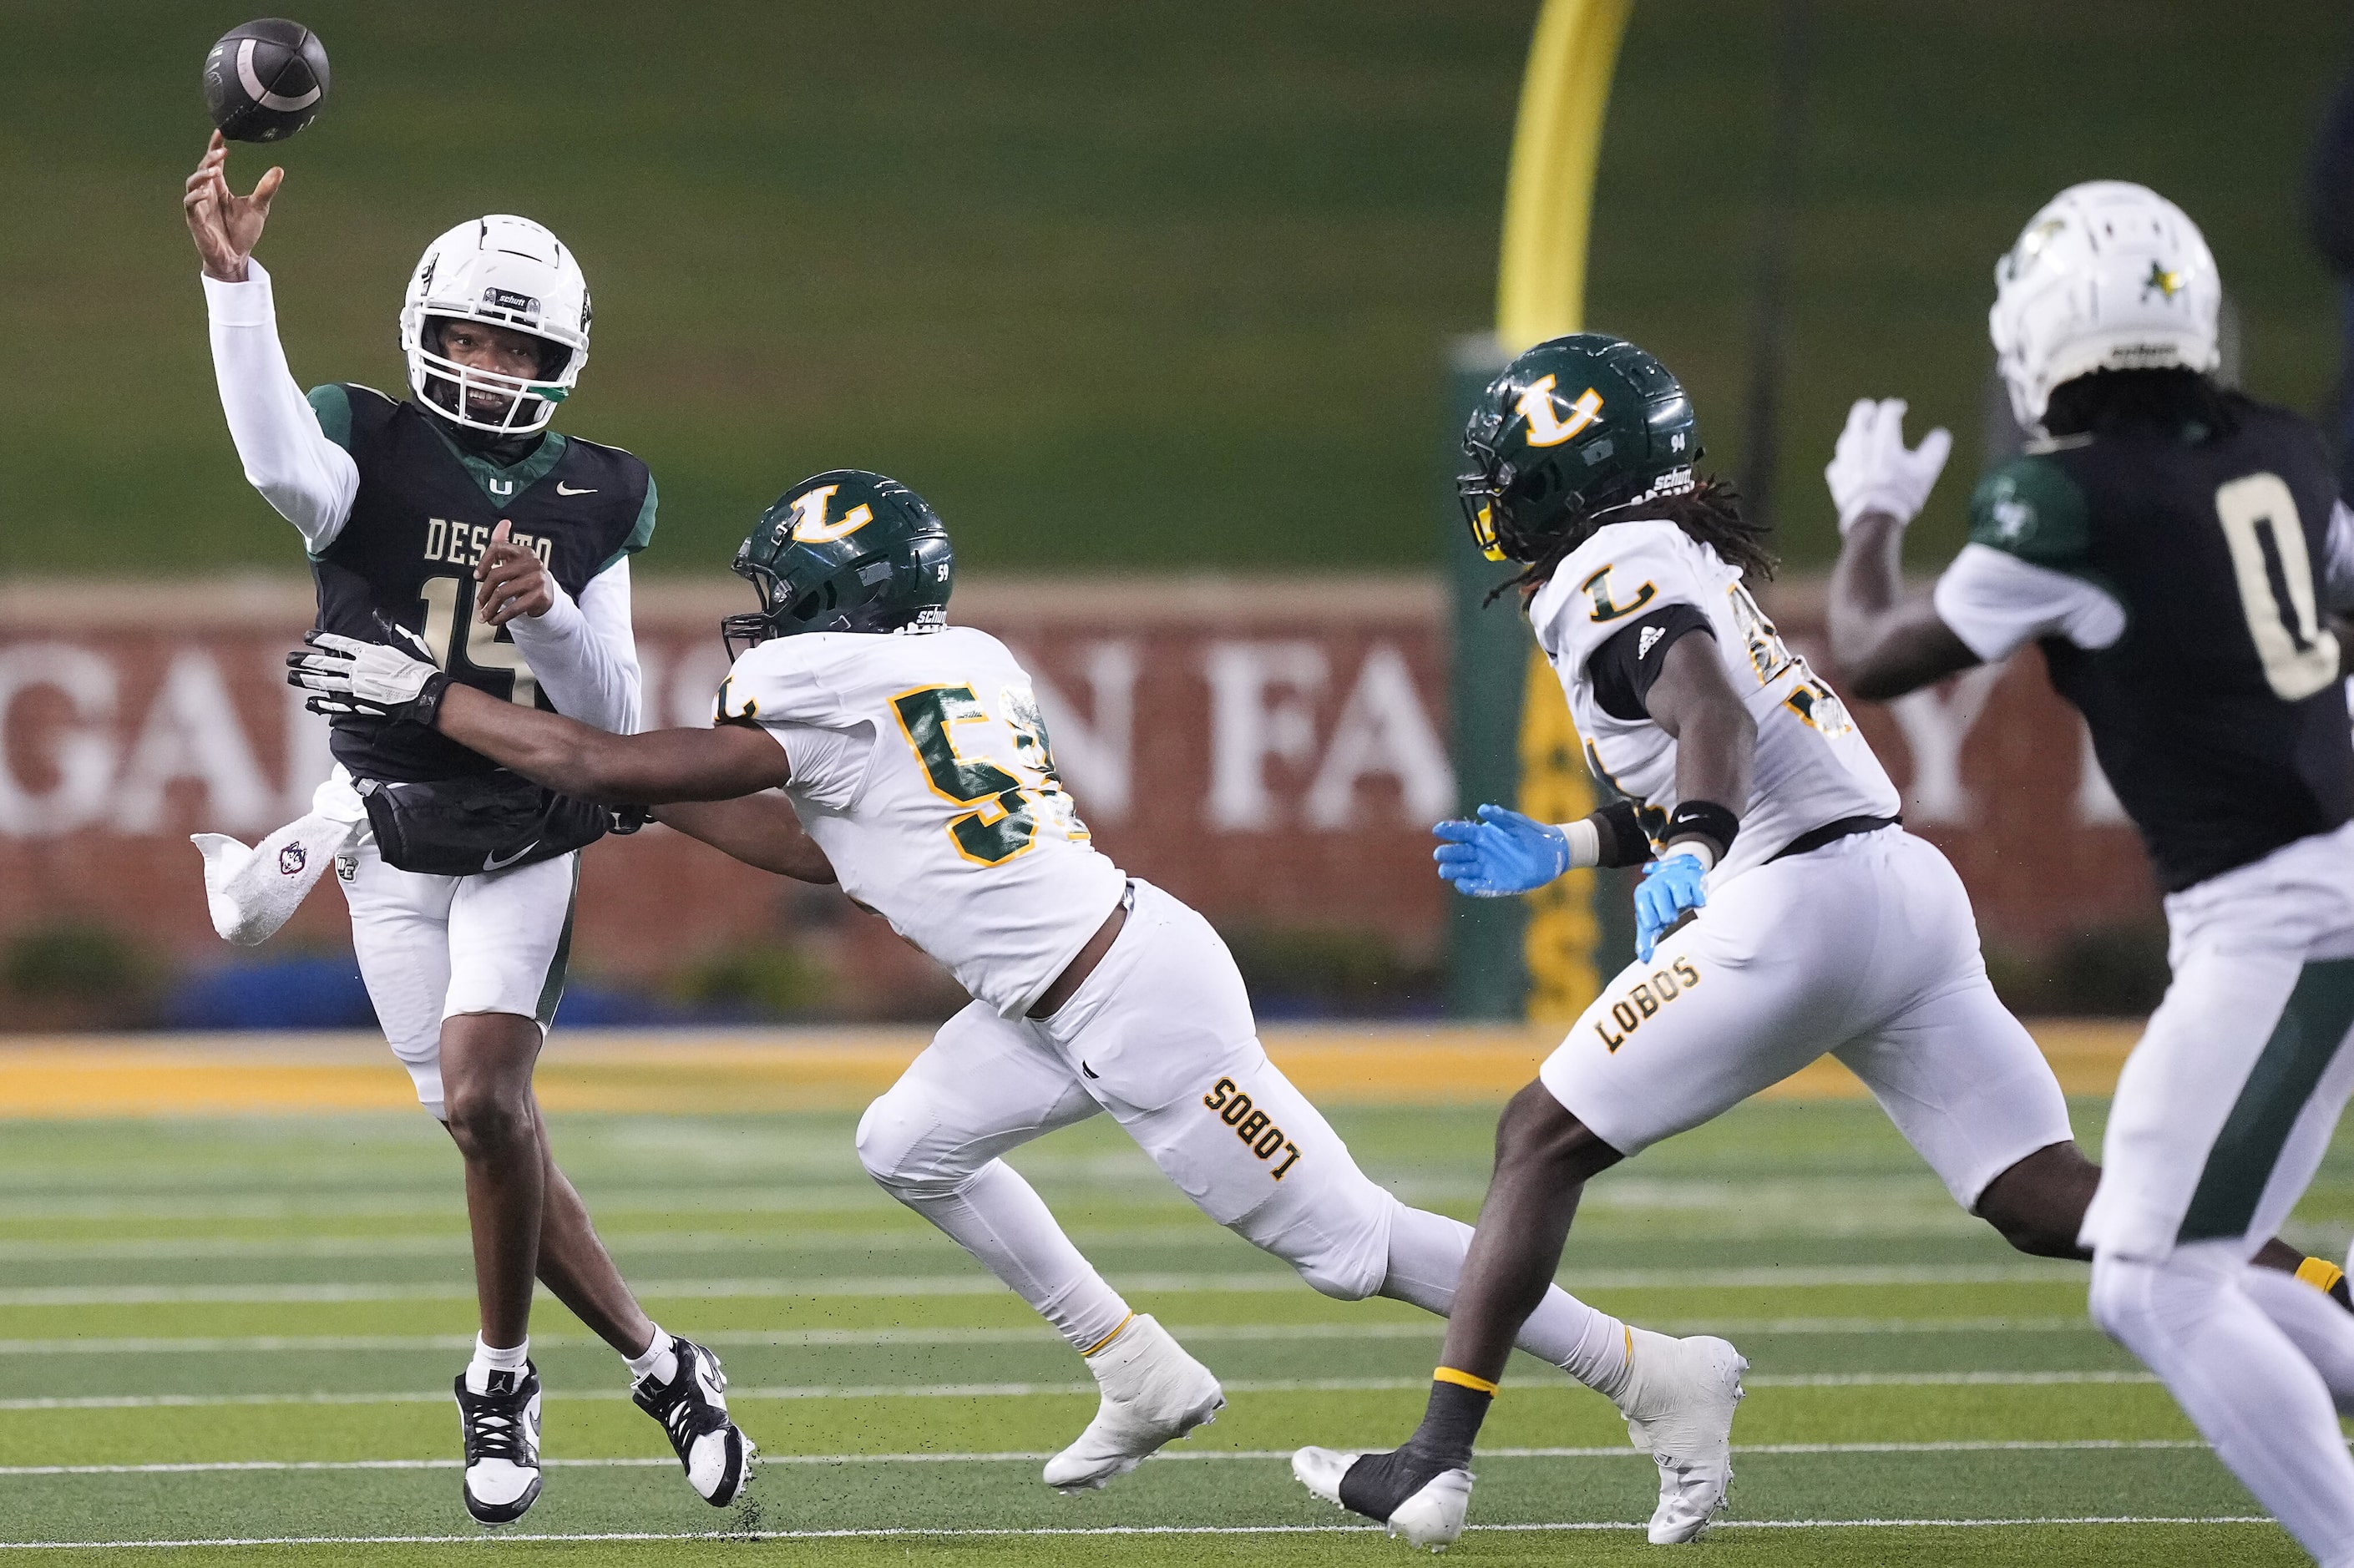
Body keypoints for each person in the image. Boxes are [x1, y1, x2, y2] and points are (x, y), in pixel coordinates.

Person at [284, 468, 1752, 1543]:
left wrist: (433, 702)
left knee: (1354, 1244)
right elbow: (827, 841)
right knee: (907, 1140)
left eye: (779, 598)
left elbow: (616, 766)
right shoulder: (967, 660)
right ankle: (1134, 1360)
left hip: (1136, 1007)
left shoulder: (821, 685)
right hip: (1055, 988)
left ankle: (1652, 1372)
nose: (760, 623)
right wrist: (632, 804)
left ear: (821, 611)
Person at [1287, 329, 2354, 1549]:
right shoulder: (1668, 549)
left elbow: (1709, 714)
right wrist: (1579, 849)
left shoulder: (1600, 571)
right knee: (2034, 1189)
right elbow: (1727, 746)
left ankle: (1435, 1460)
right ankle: (2331, 1291)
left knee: (1537, 1135)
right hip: (1897, 886)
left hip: (1792, 908)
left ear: (1563, 473)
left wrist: (1690, 850)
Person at [182, 133, 749, 1525]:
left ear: (557, 361)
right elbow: (277, 471)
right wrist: (236, 292)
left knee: (492, 1099)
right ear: (421, 335)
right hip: (385, 836)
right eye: (466, 341)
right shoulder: (361, 442)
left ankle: (498, 1379)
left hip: (530, 830)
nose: (489, 369)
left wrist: (548, 606)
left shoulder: (600, 490)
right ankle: (666, 1364)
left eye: (514, 349)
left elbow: (614, 711)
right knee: (487, 1134)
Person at [1826, 180, 2354, 1567]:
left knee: (2152, 1281)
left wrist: (1872, 512)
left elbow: (1875, 650)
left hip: (2287, 909)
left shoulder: (2064, 499)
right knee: (2163, 1247)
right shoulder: (2286, 450)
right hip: (2309, 887)